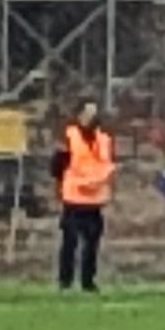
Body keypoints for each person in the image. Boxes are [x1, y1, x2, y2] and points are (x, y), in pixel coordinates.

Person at [52, 101, 114, 292]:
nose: (92, 117)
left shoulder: (103, 138)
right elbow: (57, 166)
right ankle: (65, 281)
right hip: (74, 198)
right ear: (79, 115)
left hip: (95, 200)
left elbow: (108, 164)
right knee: (70, 242)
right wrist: (63, 186)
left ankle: (88, 281)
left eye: (94, 113)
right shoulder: (69, 136)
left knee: (92, 244)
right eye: (88, 113)